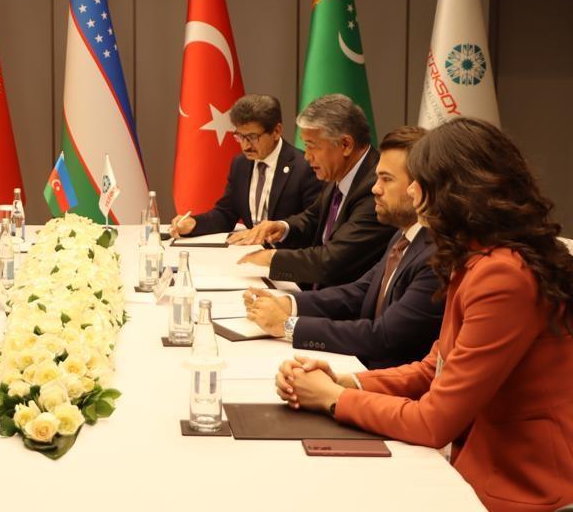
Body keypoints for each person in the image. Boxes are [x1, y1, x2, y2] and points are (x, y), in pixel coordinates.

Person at [275, 118, 573, 511]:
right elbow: (435, 368)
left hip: (522, 486)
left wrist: (333, 398)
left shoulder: (502, 274)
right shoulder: (477, 259)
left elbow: (434, 422)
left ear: (458, 189)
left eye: (421, 180)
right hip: (481, 467)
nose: (412, 190)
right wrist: (346, 381)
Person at [243, 126, 443, 369]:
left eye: (387, 179)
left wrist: (287, 326)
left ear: (421, 186)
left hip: (389, 381)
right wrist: (288, 303)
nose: (375, 188)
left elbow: (383, 336)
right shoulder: (403, 236)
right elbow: (360, 292)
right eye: (377, 177)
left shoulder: (436, 256)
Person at [231, 94, 396, 287]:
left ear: (345, 145)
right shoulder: (338, 171)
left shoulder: (375, 189)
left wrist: (271, 258)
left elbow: (332, 261)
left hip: (345, 299)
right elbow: (313, 218)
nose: (307, 157)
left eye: (312, 147)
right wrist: (282, 227)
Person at [168, 94, 322, 239]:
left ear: (276, 131)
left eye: (252, 137)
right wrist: (194, 223)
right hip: (247, 250)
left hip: (285, 253)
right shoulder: (240, 164)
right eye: (240, 136)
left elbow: (312, 223)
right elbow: (226, 214)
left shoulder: (305, 166)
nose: (245, 146)